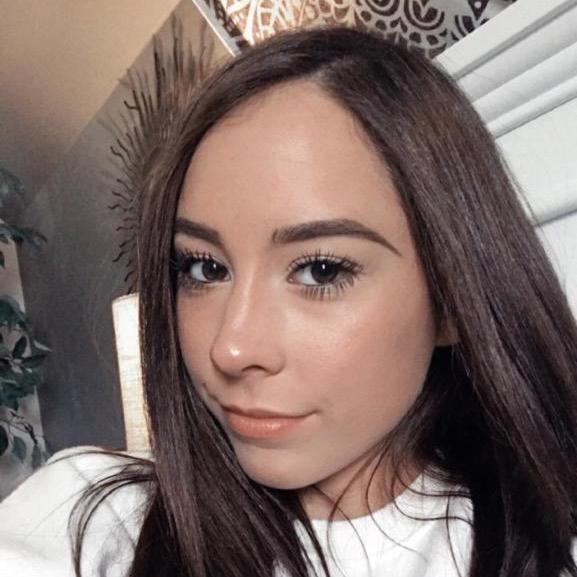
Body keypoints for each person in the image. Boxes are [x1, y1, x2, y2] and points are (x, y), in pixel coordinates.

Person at [1, 24, 577, 577]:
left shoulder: (547, 548)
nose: (231, 348)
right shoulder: (88, 517)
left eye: (321, 270)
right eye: (204, 267)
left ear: (451, 298)